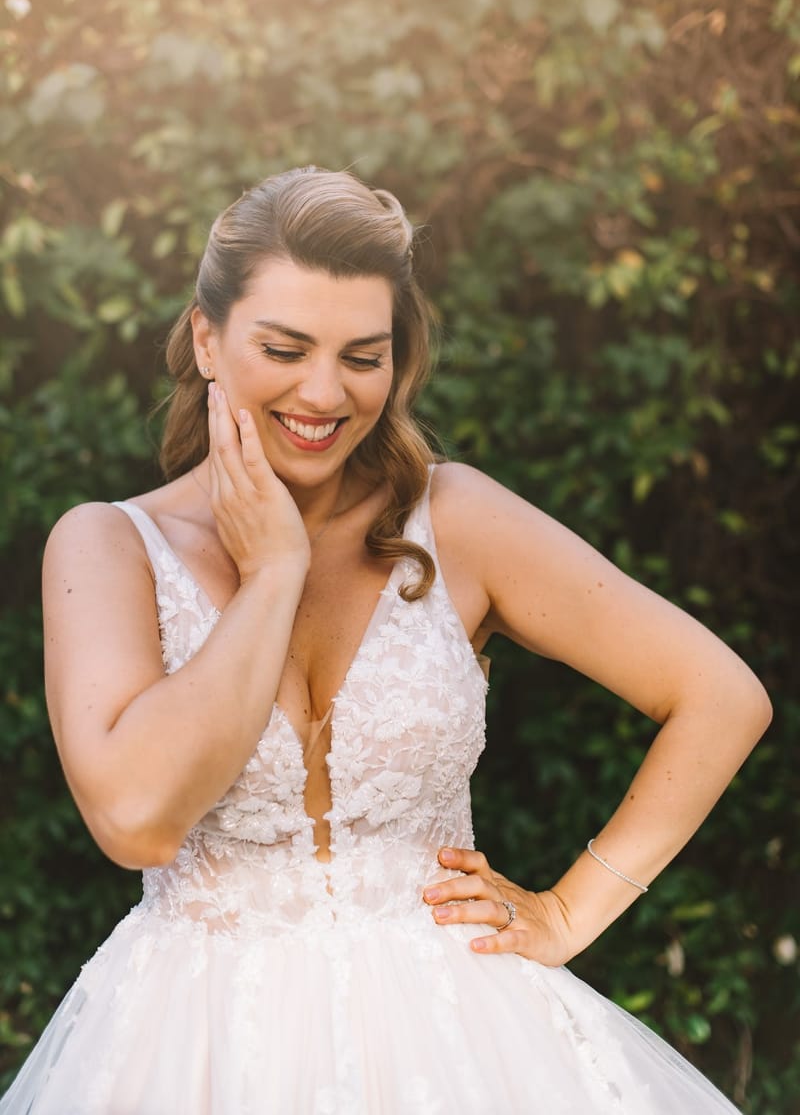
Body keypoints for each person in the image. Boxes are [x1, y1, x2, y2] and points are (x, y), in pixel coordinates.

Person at [1, 166, 770, 1114]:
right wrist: (273, 573)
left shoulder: (458, 517)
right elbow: (136, 821)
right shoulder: (107, 546)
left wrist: (570, 911)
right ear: (207, 337)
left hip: (465, 1044)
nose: (322, 393)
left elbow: (722, 695)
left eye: (362, 356)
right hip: (194, 1048)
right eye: (284, 347)